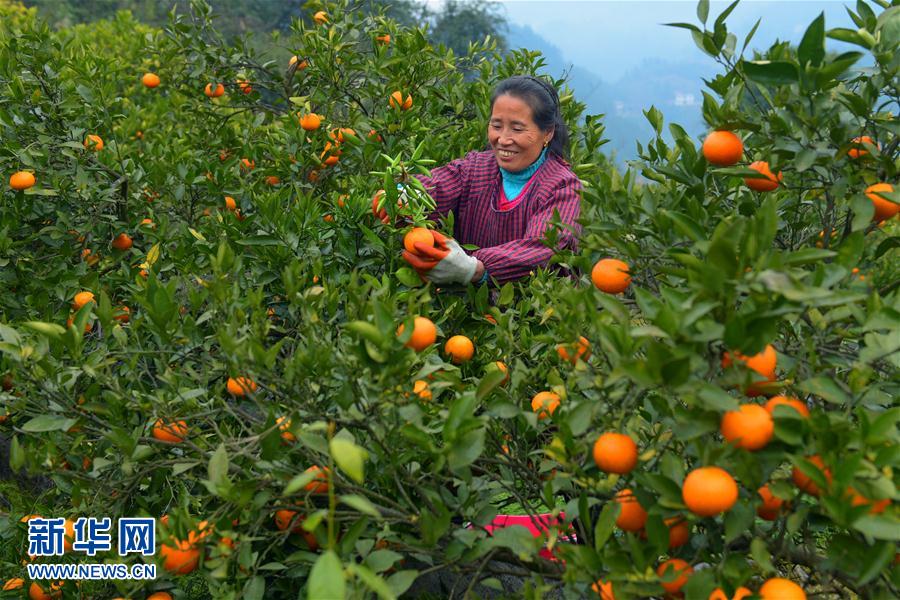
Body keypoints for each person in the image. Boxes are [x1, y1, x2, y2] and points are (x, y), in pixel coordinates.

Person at [400, 75, 583, 286]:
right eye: (496, 126)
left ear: (548, 133)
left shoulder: (563, 187)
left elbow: (542, 248)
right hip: (468, 312)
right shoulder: (476, 168)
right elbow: (438, 185)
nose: (503, 139)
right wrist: (402, 194)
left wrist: (475, 268)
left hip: (534, 314)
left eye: (517, 129)